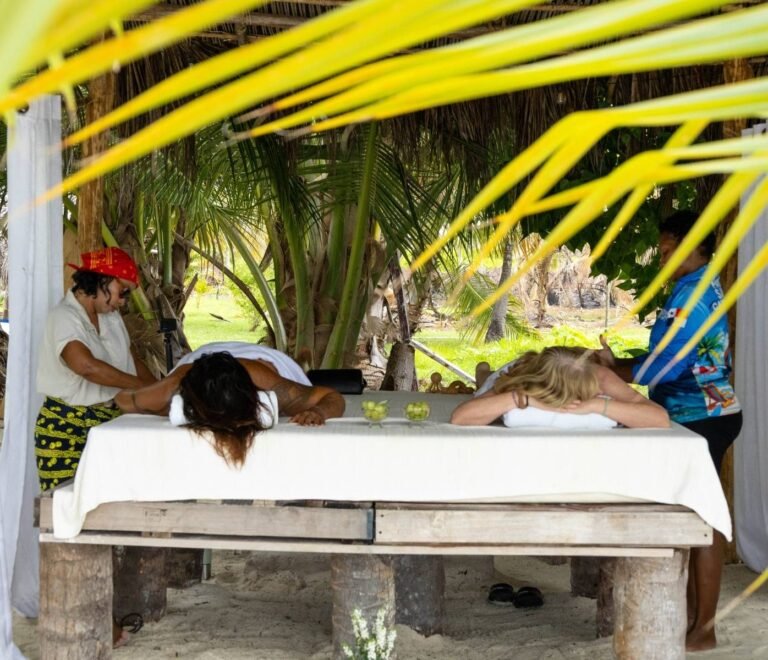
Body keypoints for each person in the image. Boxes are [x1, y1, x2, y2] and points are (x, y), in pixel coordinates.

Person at [595, 209, 742, 652]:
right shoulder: (697, 285)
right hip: (703, 411)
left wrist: (613, 369)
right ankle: (696, 619)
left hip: (701, 415)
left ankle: (705, 627)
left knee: (705, 516)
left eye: (666, 250)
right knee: (697, 512)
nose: (661, 259)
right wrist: (619, 364)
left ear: (692, 243)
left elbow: (667, 362)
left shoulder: (690, 293)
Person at [34, 246, 156, 646]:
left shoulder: (111, 317)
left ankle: (108, 616)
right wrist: (145, 389)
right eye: (121, 291)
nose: (123, 300)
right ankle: (79, 623)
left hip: (107, 423)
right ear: (101, 283)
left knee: (109, 516)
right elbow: (83, 365)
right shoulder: (62, 317)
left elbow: (131, 361)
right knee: (70, 522)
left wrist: (161, 386)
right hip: (64, 429)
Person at [114, 342, 346, 466]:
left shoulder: (270, 384)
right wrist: (159, 400)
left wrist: (317, 411)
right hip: (204, 357)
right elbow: (123, 399)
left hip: (260, 359)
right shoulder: (175, 385)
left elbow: (332, 397)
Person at [450, 346, 670, 429]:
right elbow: (462, 416)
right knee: (487, 383)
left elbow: (659, 418)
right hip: (518, 368)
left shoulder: (599, 375)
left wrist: (596, 405)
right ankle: (484, 374)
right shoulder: (524, 375)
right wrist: (523, 399)